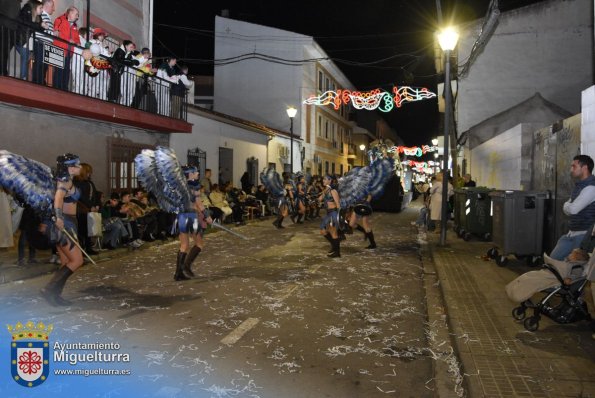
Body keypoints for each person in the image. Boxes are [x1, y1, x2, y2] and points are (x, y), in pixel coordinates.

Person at [40, 154, 83, 306]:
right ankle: (48, 290)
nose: (80, 167)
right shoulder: (65, 180)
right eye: (77, 165)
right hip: (65, 222)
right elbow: (58, 198)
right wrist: (58, 218)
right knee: (77, 260)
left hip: (67, 221)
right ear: (70, 167)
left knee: (66, 261)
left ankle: (55, 295)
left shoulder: (62, 179)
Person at [550, 155, 595, 260]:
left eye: (574, 166)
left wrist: (567, 206)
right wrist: (568, 206)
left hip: (583, 235)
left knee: (577, 267)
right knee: (553, 259)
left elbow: (573, 209)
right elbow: (569, 207)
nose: (571, 169)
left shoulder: (591, 188)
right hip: (571, 233)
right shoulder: (580, 186)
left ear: (584, 168)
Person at [175, 165, 212, 280]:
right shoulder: (194, 185)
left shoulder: (179, 186)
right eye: (195, 172)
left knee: (184, 245)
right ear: (190, 174)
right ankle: (186, 266)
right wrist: (207, 215)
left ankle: (178, 273)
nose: (197, 174)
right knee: (199, 244)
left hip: (181, 216)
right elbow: (199, 203)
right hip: (191, 217)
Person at [52, 5, 80, 90]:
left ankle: (64, 89)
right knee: (59, 70)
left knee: (66, 71)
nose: (77, 17)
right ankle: (56, 88)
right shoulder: (60, 20)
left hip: (68, 52)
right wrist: (69, 40)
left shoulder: (75, 26)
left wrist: (76, 42)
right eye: (76, 14)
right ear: (70, 13)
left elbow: (77, 39)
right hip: (60, 49)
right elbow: (57, 33)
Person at [16, 0, 43, 81]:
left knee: (27, 57)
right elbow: (25, 23)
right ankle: (23, 77)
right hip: (21, 38)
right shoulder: (27, 9)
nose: (42, 10)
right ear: (35, 7)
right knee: (26, 55)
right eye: (40, 8)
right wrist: (39, 25)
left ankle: (25, 77)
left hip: (28, 41)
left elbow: (39, 28)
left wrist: (42, 26)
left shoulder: (38, 17)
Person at [31, 0, 54, 85]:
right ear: (47, 6)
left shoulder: (46, 16)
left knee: (44, 65)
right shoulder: (42, 16)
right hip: (40, 42)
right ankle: (37, 81)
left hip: (45, 44)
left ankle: (41, 80)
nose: (53, 9)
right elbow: (41, 29)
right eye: (52, 6)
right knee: (40, 63)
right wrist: (53, 33)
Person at [319, 175, 341, 257]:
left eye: (325, 179)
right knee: (323, 231)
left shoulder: (333, 191)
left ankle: (337, 252)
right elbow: (319, 199)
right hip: (328, 214)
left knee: (333, 233)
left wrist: (339, 217)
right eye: (323, 179)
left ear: (330, 180)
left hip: (333, 213)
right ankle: (334, 246)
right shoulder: (326, 190)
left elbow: (338, 204)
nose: (323, 180)